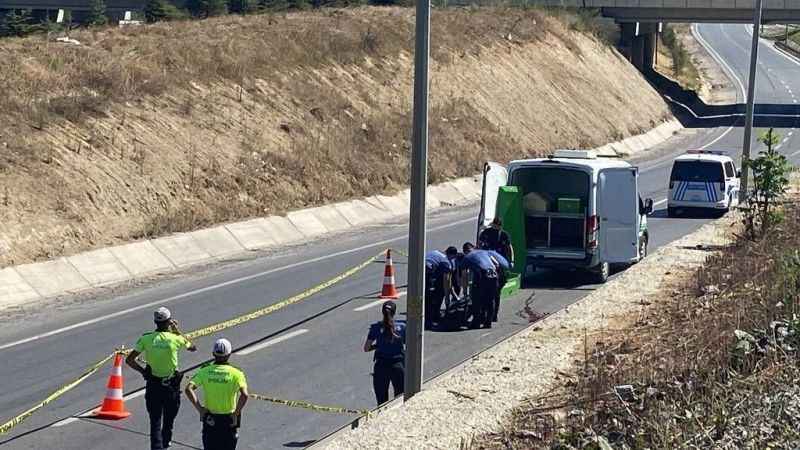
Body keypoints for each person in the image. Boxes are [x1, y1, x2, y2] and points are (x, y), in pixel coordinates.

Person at [126, 307, 197, 450]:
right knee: (169, 417)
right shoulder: (175, 338)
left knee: (155, 421)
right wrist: (176, 330)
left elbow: (129, 360)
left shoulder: (146, 338)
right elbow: (192, 347)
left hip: (153, 384)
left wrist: (143, 372)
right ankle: (166, 441)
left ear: (155, 322)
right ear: (169, 322)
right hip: (171, 386)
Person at [185, 338, 249, 450]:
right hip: (229, 419)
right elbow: (244, 395)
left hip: (210, 418)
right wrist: (236, 413)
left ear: (213, 354)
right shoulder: (237, 373)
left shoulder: (205, 371)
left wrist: (200, 409)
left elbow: (188, 389)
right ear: (229, 354)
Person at [363, 301, 406, 405]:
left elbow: (366, 348)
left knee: (382, 401)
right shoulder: (402, 327)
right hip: (398, 365)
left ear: (382, 312)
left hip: (381, 366)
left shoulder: (375, 327)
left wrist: (378, 345)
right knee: (400, 400)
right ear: (394, 312)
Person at [460, 246, 509, 329]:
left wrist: (465, 291)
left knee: (477, 301)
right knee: (490, 300)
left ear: (465, 251)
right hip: (494, 276)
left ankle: (476, 323)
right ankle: (488, 323)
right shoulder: (485, 252)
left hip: (482, 276)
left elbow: (464, 275)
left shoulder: (467, 257)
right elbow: (497, 264)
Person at [424, 247, 459, 329]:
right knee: (431, 299)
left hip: (419, 268)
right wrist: (448, 297)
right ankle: (429, 321)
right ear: (452, 255)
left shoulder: (436, 252)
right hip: (427, 272)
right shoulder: (446, 262)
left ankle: (431, 316)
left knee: (425, 296)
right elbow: (447, 281)